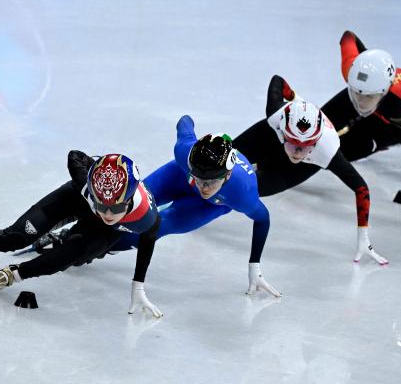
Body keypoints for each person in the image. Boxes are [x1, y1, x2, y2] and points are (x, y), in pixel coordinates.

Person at [0, 150, 163, 318]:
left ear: (129, 199)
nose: (107, 212)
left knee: (67, 257)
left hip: (100, 231)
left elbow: (149, 239)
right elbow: (75, 156)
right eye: (101, 203)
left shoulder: (144, 216)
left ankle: (16, 273)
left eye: (115, 207)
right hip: (77, 198)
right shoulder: (90, 186)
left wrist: (138, 285)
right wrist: (87, 192)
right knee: (16, 236)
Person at [109, 115, 282, 297]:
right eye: (199, 179)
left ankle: (102, 249)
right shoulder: (184, 151)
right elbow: (185, 121)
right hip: (178, 176)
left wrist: (255, 265)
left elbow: (263, 219)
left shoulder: (242, 192)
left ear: (227, 176)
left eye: (211, 182)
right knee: (131, 203)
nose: (203, 187)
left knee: (158, 226)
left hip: (209, 205)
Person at [232, 75, 388, 265]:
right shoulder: (276, 115)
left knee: (247, 190)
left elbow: (361, 188)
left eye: (305, 147)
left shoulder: (327, 150)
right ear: (283, 131)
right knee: (223, 157)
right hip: (270, 139)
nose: (298, 153)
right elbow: (277, 80)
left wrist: (364, 236)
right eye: (294, 145)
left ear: (316, 143)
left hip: (300, 168)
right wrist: (295, 98)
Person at [321, 30, 401, 228]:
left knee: (342, 152)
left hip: (390, 125)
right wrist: (367, 57)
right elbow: (348, 36)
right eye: (356, 92)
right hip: (374, 96)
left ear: (383, 92)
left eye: (366, 96)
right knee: (316, 123)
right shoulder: (354, 72)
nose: (360, 101)